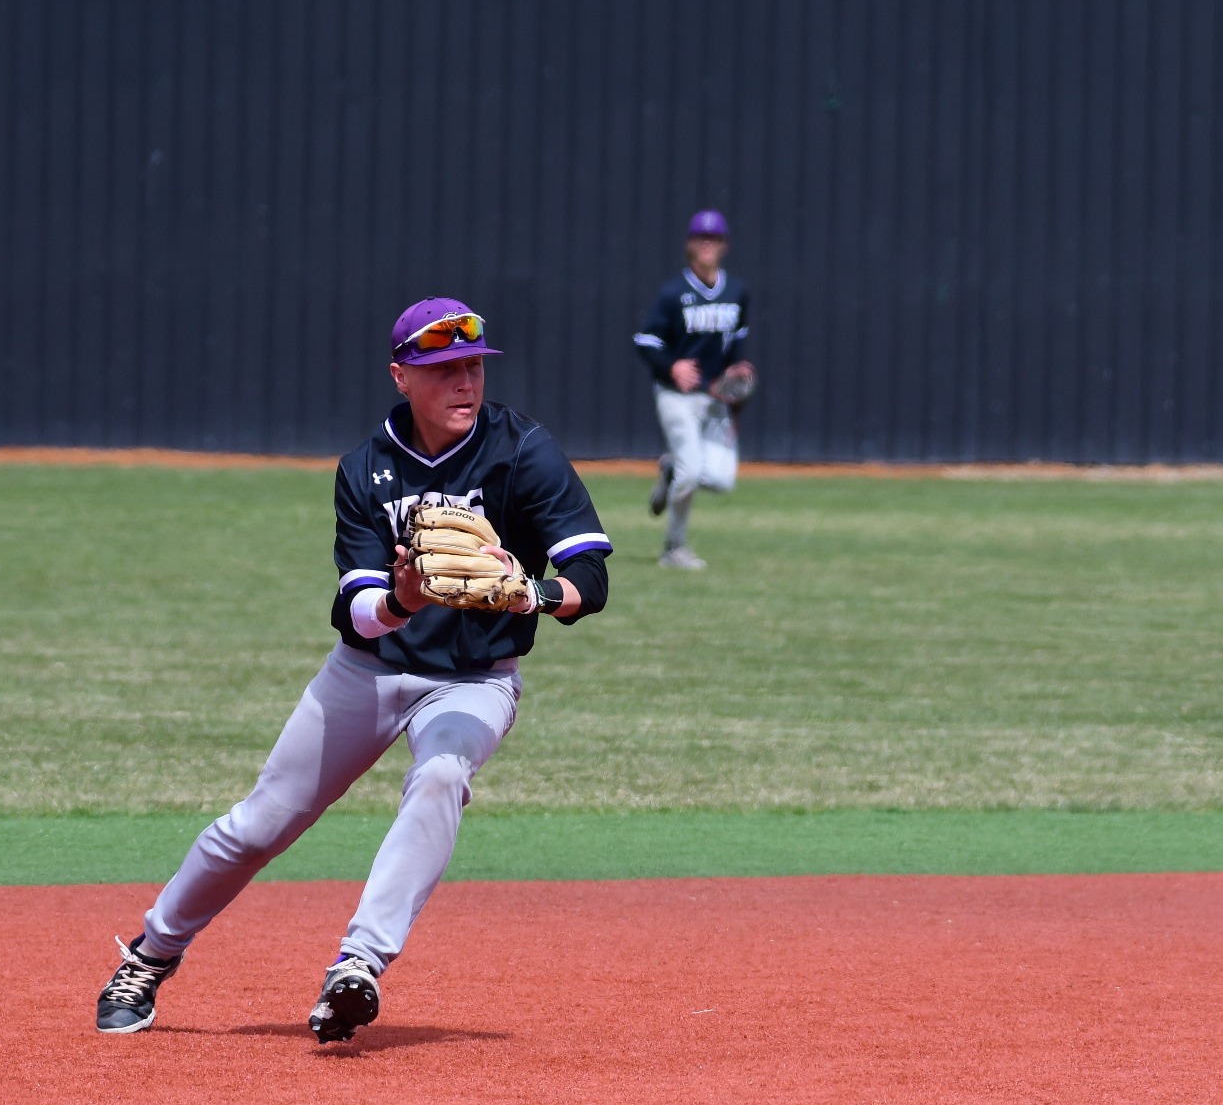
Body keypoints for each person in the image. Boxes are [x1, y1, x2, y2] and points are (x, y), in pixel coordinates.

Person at [96, 297, 612, 1043]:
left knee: (441, 775)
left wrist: (533, 592)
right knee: (257, 824)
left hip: (473, 679)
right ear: (401, 375)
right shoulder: (365, 471)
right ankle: (151, 952)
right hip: (369, 669)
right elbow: (357, 611)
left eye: (473, 366)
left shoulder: (521, 449)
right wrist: (402, 598)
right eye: (442, 370)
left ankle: (356, 965)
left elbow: (590, 577)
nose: (465, 383)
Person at [632, 209, 755, 570]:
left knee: (720, 480)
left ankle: (670, 469)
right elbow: (644, 340)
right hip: (676, 395)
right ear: (690, 244)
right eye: (701, 237)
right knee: (692, 473)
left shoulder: (736, 292)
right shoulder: (674, 293)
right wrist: (671, 365)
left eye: (714, 237)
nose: (707, 243)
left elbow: (738, 340)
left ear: (724, 245)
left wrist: (738, 365)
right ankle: (674, 548)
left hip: (714, 397)